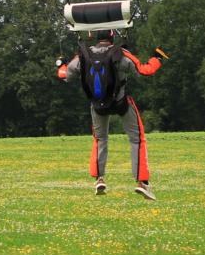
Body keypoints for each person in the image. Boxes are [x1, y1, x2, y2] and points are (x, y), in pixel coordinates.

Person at [56, 29, 166, 200]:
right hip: (121, 103)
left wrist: (60, 64)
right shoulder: (121, 54)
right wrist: (157, 58)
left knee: (100, 139)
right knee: (137, 139)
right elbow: (145, 70)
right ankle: (142, 183)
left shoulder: (84, 55)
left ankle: (99, 179)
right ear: (112, 37)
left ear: (97, 38)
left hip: (97, 105)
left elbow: (64, 75)